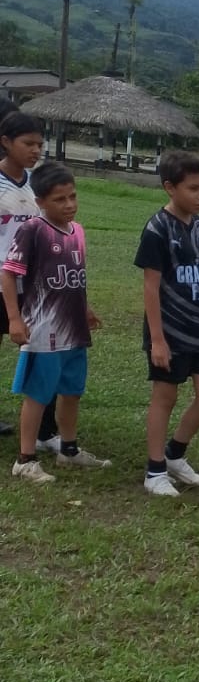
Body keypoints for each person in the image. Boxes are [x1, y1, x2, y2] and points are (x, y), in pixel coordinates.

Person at [1, 163, 110, 483]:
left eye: (72, 196)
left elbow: (73, 276)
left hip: (73, 329)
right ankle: (25, 460)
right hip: (42, 329)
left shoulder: (78, 231)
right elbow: (8, 274)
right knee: (38, 394)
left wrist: (85, 308)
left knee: (72, 391)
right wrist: (14, 318)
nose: (69, 204)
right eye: (60, 199)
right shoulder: (32, 230)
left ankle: (69, 450)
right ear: (40, 202)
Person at [135, 150, 199, 497]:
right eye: (194, 189)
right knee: (165, 397)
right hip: (170, 330)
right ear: (170, 187)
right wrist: (157, 339)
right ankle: (155, 470)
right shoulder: (157, 228)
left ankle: (175, 453)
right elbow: (150, 286)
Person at [0, 108, 58, 447]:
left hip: (35, 287)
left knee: (45, 352)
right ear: (6, 142)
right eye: (28, 143)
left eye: (40, 144)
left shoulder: (40, 185)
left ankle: (45, 430)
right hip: (2, 283)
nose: (36, 150)